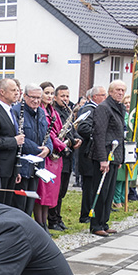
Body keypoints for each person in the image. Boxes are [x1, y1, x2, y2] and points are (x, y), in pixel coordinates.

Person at [89, 80, 126, 237]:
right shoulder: (104, 108)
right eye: (117, 90)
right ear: (110, 92)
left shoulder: (120, 107)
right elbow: (99, 134)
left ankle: (104, 222)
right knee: (101, 191)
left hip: (114, 155)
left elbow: (119, 134)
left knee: (109, 192)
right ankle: (96, 224)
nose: (120, 93)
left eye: (123, 90)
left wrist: (119, 159)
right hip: (104, 155)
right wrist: (102, 159)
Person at [12, 83, 52, 216]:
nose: (36, 101)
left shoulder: (41, 112)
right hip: (23, 165)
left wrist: (48, 148)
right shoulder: (17, 111)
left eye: (38, 98)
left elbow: (47, 134)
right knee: (20, 204)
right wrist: (38, 150)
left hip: (37, 165)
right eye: (32, 97)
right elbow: (19, 137)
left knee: (30, 203)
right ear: (24, 96)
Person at [34, 82, 66, 231]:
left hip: (55, 156)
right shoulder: (40, 111)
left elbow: (59, 130)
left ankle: (45, 223)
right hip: (46, 155)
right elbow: (49, 133)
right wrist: (61, 145)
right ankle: (40, 224)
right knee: (42, 191)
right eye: (47, 93)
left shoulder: (53, 111)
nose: (49, 96)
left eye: (52, 93)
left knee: (51, 193)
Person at [49, 84, 81, 230]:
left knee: (62, 191)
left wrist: (77, 138)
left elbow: (72, 130)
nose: (65, 99)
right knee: (55, 190)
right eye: (62, 96)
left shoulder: (68, 111)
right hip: (58, 154)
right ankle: (52, 219)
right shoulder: (54, 112)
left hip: (68, 155)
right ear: (55, 97)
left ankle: (58, 216)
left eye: (67, 96)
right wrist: (70, 141)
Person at [0, 78, 24, 208]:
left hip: (12, 167)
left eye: (17, 90)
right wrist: (14, 141)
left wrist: (17, 170)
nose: (17, 93)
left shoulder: (12, 111)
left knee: (8, 205)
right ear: (2, 92)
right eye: (13, 90)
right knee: (0, 204)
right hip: (1, 168)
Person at [76, 86, 106, 223]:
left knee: (94, 185)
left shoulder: (98, 109)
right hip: (88, 154)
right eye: (103, 95)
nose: (105, 97)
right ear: (95, 97)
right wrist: (98, 135)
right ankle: (85, 214)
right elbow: (83, 128)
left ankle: (92, 211)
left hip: (93, 153)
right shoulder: (89, 109)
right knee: (88, 186)